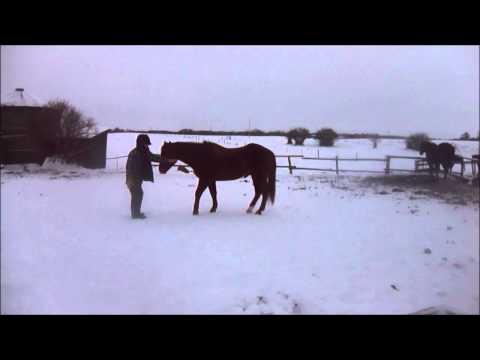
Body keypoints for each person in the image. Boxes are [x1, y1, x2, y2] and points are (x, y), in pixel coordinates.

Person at [126, 134, 162, 219]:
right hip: (132, 179)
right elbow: (129, 168)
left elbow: (153, 157)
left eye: (147, 144)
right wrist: (132, 181)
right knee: (137, 194)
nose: (147, 145)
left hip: (138, 179)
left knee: (138, 194)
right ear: (140, 143)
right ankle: (135, 214)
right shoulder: (134, 154)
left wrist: (165, 158)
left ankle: (136, 212)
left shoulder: (145, 151)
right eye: (146, 144)